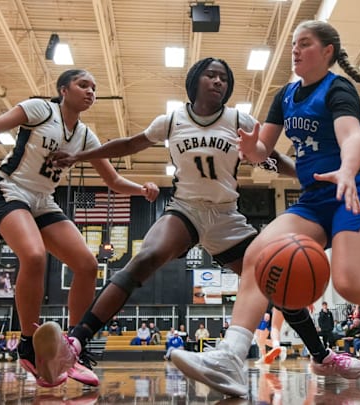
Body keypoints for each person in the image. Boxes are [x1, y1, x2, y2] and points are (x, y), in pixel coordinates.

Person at [168, 20, 360, 397]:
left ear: (327, 51)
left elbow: (350, 136)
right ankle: (231, 357)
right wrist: (252, 150)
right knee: (257, 253)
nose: (295, 51)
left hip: (355, 190)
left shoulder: (338, 89)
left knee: (349, 283)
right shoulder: (285, 94)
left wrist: (348, 171)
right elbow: (264, 150)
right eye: (293, 45)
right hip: (315, 199)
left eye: (304, 44)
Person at [34, 57, 296, 386]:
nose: (218, 82)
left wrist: (306, 174)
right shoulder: (172, 120)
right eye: (211, 75)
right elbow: (129, 143)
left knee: (275, 281)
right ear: (195, 80)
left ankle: (322, 353)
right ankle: (75, 343)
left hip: (227, 215)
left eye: (224, 79)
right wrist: (79, 156)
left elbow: (269, 158)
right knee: (143, 259)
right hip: (186, 208)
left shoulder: (239, 119)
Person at [0, 69, 159, 388]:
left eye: (94, 88)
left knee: (87, 265)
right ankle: (28, 343)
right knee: (34, 256)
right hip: (9, 189)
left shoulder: (85, 135)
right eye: (83, 85)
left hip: (43, 199)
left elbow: (114, 181)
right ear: (64, 89)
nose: (90, 91)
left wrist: (142, 189)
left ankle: (71, 350)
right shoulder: (39, 109)